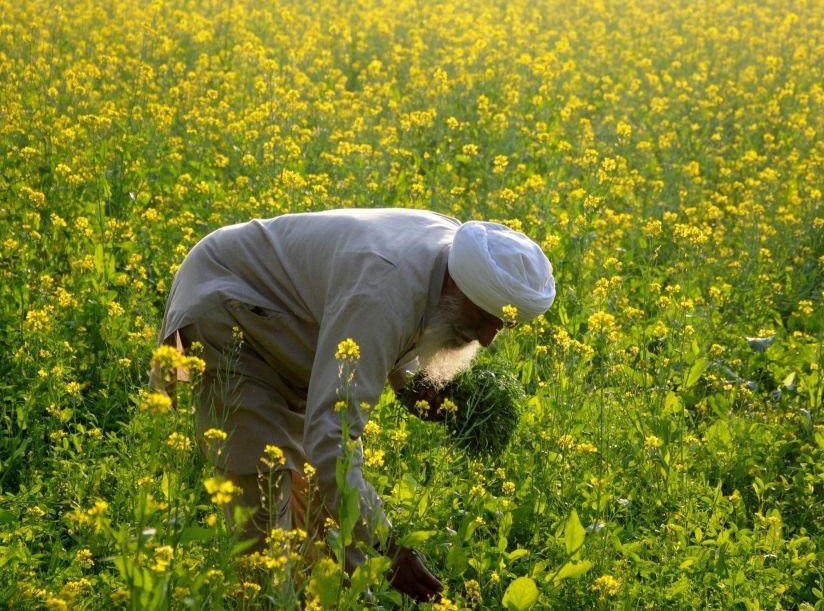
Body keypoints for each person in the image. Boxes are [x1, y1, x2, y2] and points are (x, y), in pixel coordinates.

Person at [149, 208, 555, 602]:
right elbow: (333, 437)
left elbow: (397, 327)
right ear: (459, 286)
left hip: (283, 317)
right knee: (267, 513)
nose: (485, 339)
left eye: (501, 328)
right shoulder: (384, 289)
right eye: (484, 319)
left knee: (319, 517)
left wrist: (414, 387)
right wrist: (389, 546)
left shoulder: (452, 258)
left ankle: (321, 593)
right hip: (233, 306)